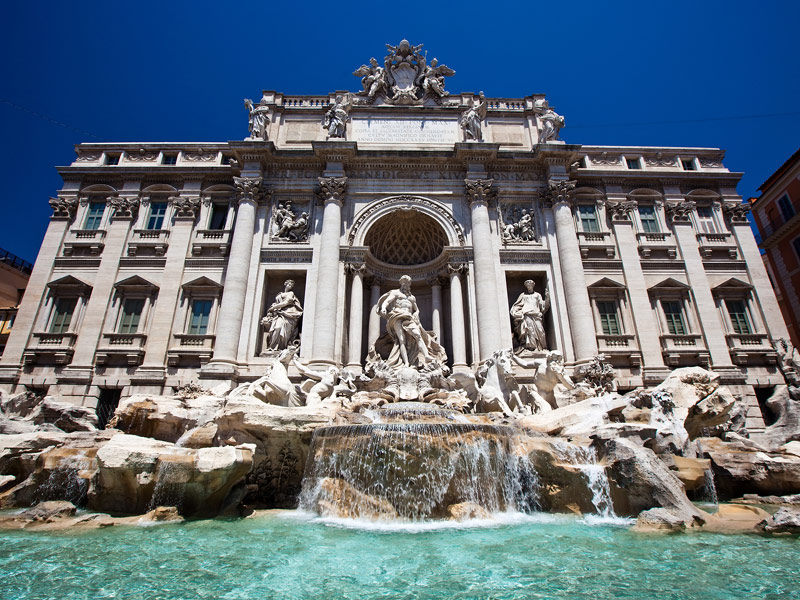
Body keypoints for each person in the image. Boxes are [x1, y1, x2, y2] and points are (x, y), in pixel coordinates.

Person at [376, 275, 439, 368]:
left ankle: (426, 356)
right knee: (402, 340)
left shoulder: (412, 297)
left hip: (409, 318)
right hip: (397, 316)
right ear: (401, 284)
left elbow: (416, 309)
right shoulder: (395, 293)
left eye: (407, 284)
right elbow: (387, 301)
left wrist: (416, 313)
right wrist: (384, 308)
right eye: (404, 283)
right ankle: (405, 363)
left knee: (418, 335)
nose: (406, 285)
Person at [261, 280, 303, 351]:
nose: (290, 286)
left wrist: (274, 307)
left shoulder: (291, 293)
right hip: (278, 313)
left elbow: (286, 302)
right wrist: (273, 308)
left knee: (280, 328)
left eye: (291, 286)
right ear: (285, 284)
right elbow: (277, 303)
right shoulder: (280, 294)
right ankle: (272, 347)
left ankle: (281, 347)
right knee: (276, 328)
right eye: (289, 284)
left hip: (288, 313)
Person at [510, 280, 550, 352]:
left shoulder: (537, 295)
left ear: (533, 285)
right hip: (527, 315)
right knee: (529, 331)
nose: (529, 287)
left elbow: (543, 307)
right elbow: (517, 305)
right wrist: (515, 312)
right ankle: (531, 348)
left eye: (530, 285)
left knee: (540, 330)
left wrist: (547, 298)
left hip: (536, 315)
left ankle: (541, 348)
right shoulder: (523, 295)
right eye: (527, 286)